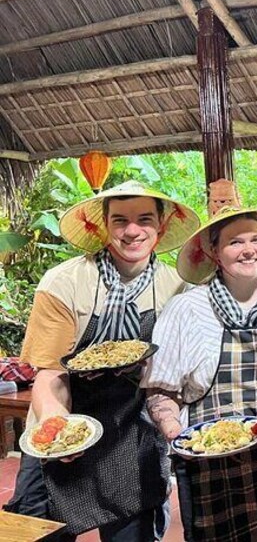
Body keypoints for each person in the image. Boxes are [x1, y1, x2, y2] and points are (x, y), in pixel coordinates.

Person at [6, 181, 200, 540]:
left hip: (133, 431)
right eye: (119, 220)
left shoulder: (178, 289)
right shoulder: (64, 282)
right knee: (34, 530)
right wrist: (58, 429)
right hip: (62, 417)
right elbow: (51, 374)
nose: (132, 231)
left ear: (162, 225)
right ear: (103, 226)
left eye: (144, 219)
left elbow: (173, 377)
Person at [142, 206, 257, 542]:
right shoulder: (188, 309)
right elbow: (159, 390)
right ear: (213, 251)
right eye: (235, 242)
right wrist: (177, 435)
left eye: (256, 239)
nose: (248, 249)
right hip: (210, 463)